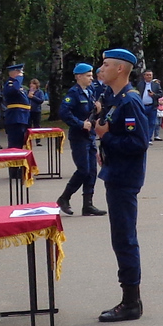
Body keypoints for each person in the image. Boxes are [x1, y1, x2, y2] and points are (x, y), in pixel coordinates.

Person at [94, 48, 151, 322]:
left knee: (125, 239)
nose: (99, 69)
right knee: (121, 238)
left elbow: (139, 143)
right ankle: (130, 299)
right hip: (115, 174)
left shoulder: (130, 102)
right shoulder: (115, 99)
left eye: (105, 65)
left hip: (124, 179)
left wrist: (106, 139)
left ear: (120, 69)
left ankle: (131, 302)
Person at [57, 63, 104, 215]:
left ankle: (88, 205)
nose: (91, 78)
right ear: (78, 77)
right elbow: (64, 112)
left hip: (89, 136)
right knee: (83, 170)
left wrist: (97, 110)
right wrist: (80, 124)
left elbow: (91, 113)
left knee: (92, 171)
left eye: (91, 75)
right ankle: (64, 197)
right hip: (78, 137)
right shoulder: (74, 93)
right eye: (88, 76)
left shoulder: (89, 91)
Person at [2, 63, 32, 148]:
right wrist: (18, 79)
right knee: (15, 145)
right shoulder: (10, 84)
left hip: (22, 117)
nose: (21, 74)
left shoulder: (19, 86)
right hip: (15, 118)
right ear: (14, 73)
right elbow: (14, 90)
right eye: (19, 72)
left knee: (20, 143)